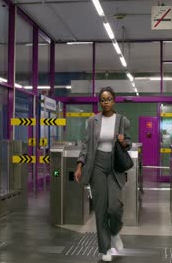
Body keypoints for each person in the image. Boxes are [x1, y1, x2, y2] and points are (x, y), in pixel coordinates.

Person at [74, 87, 132, 262]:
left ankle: (114, 232)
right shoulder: (93, 120)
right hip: (97, 164)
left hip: (114, 166)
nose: (106, 102)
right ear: (100, 102)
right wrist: (79, 165)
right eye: (102, 99)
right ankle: (104, 248)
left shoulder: (123, 120)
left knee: (113, 207)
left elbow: (128, 143)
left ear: (114, 100)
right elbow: (86, 144)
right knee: (100, 209)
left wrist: (124, 142)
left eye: (109, 99)